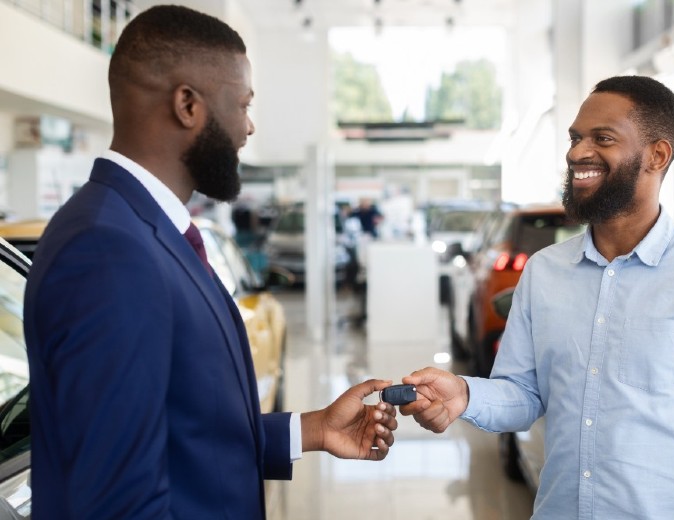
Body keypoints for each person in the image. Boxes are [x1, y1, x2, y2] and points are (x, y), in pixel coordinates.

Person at [23, 6, 397, 519]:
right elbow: (117, 504)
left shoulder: (144, 230)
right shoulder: (107, 251)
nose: (248, 127)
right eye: (242, 104)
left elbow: (183, 433)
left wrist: (313, 428)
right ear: (187, 105)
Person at [400, 75, 674, 519]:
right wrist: (464, 395)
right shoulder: (545, 272)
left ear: (657, 155)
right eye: (576, 138)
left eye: (603, 138)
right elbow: (524, 393)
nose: (578, 153)